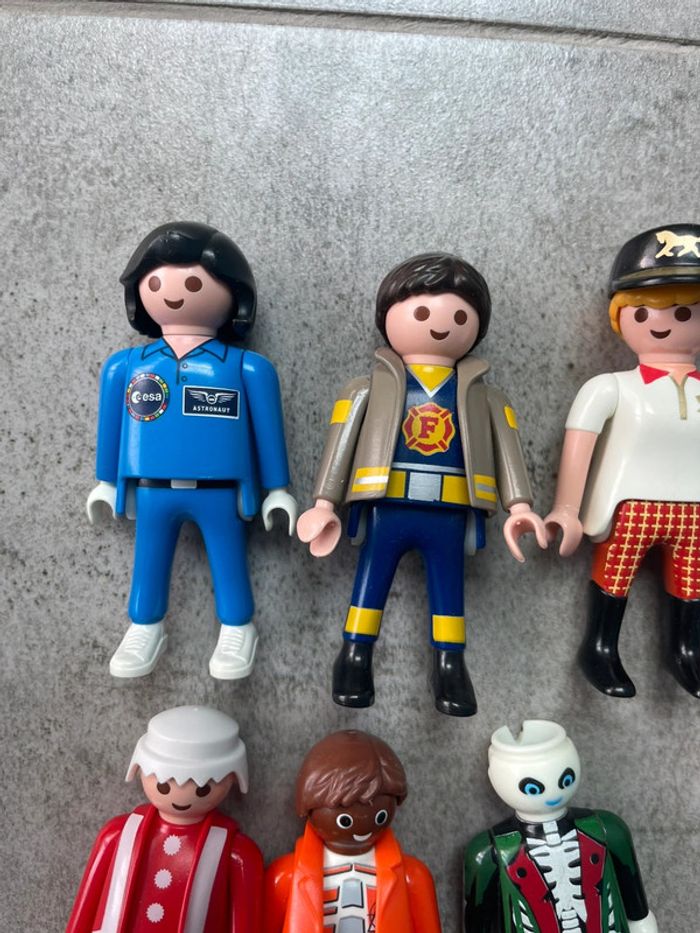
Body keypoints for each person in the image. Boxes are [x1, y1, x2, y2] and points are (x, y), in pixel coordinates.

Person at [297, 252, 546, 715]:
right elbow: (340, 443)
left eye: (458, 316)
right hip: (387, 502)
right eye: (423, 311)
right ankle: (355, 654)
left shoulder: (486, 397)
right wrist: (324, 503)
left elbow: (508, 449)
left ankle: (450, 663)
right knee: (371, 578)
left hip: (450, 509)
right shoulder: (366, 388)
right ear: (387, 317)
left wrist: (521, 506)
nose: (440, 325)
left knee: (448, 586)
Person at [87, 222, 296, 679]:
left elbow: (268, 431)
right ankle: (144, 625)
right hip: (152, 487)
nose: (173, 294)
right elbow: (111, 427)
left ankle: (237, 627)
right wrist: (105, 481)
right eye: (155, 283)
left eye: (194, 284)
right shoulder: (126, 366)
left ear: (235, 293)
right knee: (149, 558)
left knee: (228, 556)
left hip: (219, 489)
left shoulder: (247, 368)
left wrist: (278, 489)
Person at [545, 223, 700, 698]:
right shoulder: (610, 388)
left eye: (683, 311)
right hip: (629, 505)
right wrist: (566, 509)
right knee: (615, 573)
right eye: (643, 310)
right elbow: (580, 445)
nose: (662, 323)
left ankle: (686, 650)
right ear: (620, 316)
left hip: (694, 510)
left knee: (692, 582)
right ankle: (600, 646)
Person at [66, 706, 263, 933]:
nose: (181, 797)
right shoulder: (117, 834)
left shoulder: (237, 853)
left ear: (232, 778)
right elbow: (86, 906)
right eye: (163, 785)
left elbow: (246, 922)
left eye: (202, 789)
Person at [463, 720, 657, 933]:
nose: (552, 795)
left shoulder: (608, 830)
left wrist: (643, 925)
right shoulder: (488, 852)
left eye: (565, 779)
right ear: (495, 777)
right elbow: (479, 923)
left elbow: (638, 911)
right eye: (533, 788)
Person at [264, 729, 441, 933]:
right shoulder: (285, 875)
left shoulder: (413, 876)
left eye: (380, 816)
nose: (361, 826)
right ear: (308, 805)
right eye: (345, 820)